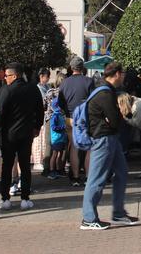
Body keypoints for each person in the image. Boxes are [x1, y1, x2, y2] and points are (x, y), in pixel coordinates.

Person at [81, 61, 138, 230]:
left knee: (121, 172)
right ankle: (89, 218)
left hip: (109, 138)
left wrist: (113, 118)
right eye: (124, 73)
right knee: (96, 179)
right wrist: (114, 118)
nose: (125, 77)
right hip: (103, 139)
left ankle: (118, 213)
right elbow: (115, 120)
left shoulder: (104, 89)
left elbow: (113, 119)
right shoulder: (105, 93)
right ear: (118, 74)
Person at [0, 62, 44, 211]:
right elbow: (40, 109)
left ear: (14, 75)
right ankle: (25, 198)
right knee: (25, 166)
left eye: (7, 76)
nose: (5, 79)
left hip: (8, 134)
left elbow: (0, 112)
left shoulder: (7, 90)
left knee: (7, 166)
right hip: (27, 132)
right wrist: (37, 127)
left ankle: (5, 198)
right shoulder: (33, 89)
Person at [60, 57, 95, 186]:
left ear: (71, 67)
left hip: (69, 117)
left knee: (74, 147)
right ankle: (87, 177)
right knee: (88, 147)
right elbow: (93, 101)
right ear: (83, 67)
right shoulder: (89, 81)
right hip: (85, 118)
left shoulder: (64, 83)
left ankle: (75, 177)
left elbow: (60, 102)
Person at [32, 68, 51, 173]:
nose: (47, 79)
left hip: (46, 116)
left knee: (44, 140)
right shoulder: (38, 88)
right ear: (41, 76)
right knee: (38, 140)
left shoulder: (47, 86)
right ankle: (37, 162)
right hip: (41, 115)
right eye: (46, 77)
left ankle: (42, 161)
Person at [48, 96, 68, 179]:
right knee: (55, 154)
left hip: (61, 138)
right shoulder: (55, 116)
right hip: (56, 138)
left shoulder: (60, 115)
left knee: (60, 154)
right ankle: (52, 171)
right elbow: (53, 127)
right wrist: (63, 127)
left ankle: (58, 169)